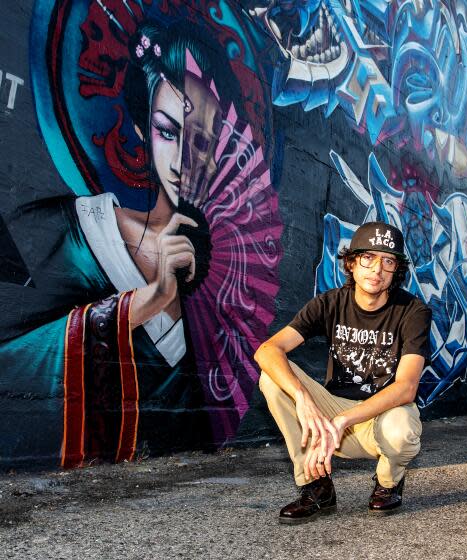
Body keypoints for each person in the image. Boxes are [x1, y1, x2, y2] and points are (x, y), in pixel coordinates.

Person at [0, 20, 269, 467]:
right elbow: (13, 362)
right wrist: (149, 301)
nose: (183, 159)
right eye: (168, 131)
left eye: (202, 142)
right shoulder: (73, 233)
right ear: (143, 129)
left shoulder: (224, 282)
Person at [255, 221, 432, 523]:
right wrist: (302, 398)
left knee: (403, 429)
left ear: (396, 270)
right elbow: (267, 350)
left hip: (378, 418)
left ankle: (388, 484)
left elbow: (406, 388)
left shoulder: (413, 312)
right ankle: (316, 486)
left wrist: (344, 420)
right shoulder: (330, 303)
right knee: (272, 377)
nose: (377, 269)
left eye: (387, 261)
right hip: (330, 420)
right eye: (368, 258)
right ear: (351, 262)